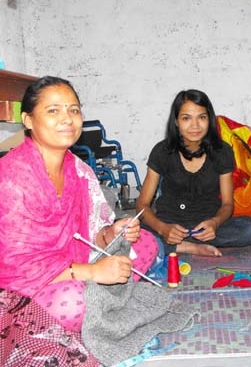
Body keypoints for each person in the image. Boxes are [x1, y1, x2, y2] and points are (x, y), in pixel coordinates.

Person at [0, 76, 158, 333]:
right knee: (72, 303)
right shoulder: (12, 177)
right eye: (53, 110)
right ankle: (101, 300)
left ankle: (101, 298)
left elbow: (92, 235)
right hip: (25, 288)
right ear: (28, 120)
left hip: (76, 268)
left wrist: (113, 233)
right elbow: (18, 269)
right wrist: (94, 273)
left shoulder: (79, 170)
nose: (67, 118)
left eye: (74, 110)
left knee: (146, 242)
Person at [137, 89, 251, 257]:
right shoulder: (162, 151)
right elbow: (142, 205)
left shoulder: (222, 151)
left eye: (201, 117)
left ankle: (170, 245)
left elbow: (227, 204)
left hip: (206, 227)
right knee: (123, 229)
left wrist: (215, 223)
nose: (195, 126)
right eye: (186, 118)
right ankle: (187, 247)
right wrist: (162, 228)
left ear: (209, 120)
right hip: (169, 224)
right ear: (176, 121)